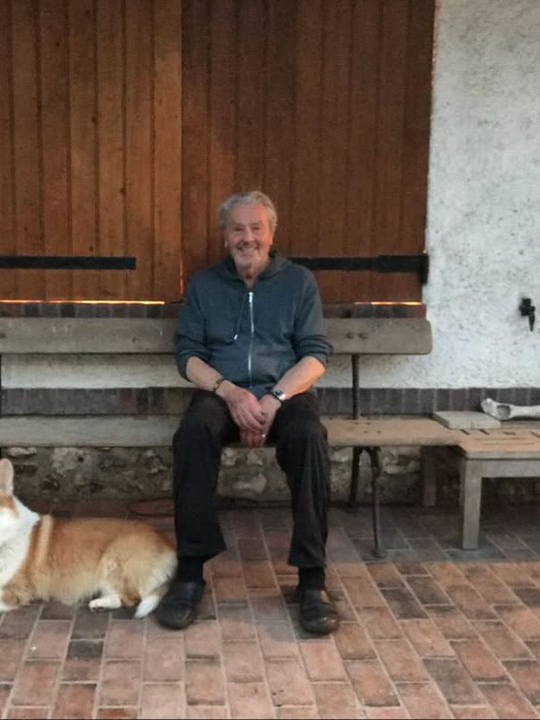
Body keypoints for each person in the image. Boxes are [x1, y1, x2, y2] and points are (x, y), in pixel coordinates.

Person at [155, 190, 338, 635]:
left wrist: (274, 399)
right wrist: (231, 393)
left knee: (310, 439)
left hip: (285, 393)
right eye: (237, 229)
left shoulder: (299, 283)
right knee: (193, 434)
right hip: (223, 391)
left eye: (257, 228)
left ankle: (312, 580)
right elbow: (188, 356)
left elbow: (315, 355)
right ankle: (190, 574)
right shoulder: (205, 286)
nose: (247, 238)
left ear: (271, 234)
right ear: (225, 237)